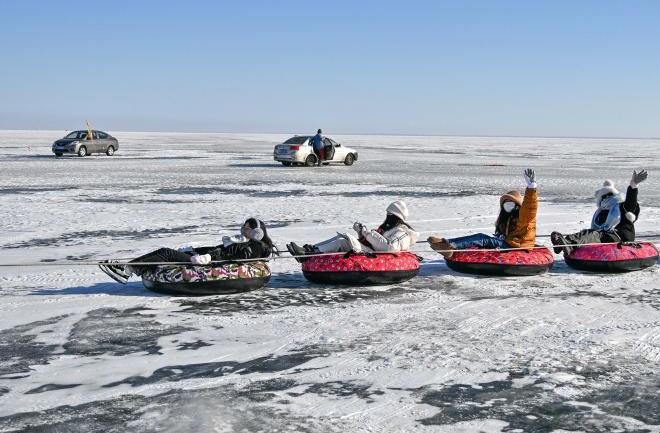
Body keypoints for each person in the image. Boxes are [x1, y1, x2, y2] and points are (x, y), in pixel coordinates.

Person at [98, 218, 275, 283]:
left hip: (208, 264)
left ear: (256, 232)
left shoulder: (256, 246)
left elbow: (235, 257)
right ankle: (129, 268)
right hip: (204, 258)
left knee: (166, 253)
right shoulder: (245, 243)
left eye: (246, 228)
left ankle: (127, 270)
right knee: (165, 253)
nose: (242, 230)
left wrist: (210, 256)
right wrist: (198, 251)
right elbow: (226, 251)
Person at [428, 169, 538, 257]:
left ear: (517, 205)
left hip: (519, 246)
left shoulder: (525, 216)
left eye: (511, 202)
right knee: (482, 239)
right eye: (506, 202)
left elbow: (530, 207)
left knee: (482, 238)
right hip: (509, 243)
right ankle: (447, 244)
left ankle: (448, 244)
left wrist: (531, 188)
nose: (507, 204)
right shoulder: (506, 218)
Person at [550, 170, 648, 254]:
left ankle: (567, 243)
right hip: (604, 236)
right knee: (587, 233)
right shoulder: (601, 211)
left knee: (593, 234)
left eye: (610, 195)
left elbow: (631, 203)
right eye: (605, 196)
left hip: (619, 237)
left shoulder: (622, 205)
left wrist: (633, 185)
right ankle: (563, 243)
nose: (608, 198)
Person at [285, 201, 418, 262]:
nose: (387, 217)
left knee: (343, 242)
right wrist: (361, 233)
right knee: (342, 238)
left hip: (381, 256)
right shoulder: (389, 228)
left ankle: (308, 253)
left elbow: (390, 248)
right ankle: (309, 250)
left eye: (390, 214)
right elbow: (375, 242)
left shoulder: (402, 233)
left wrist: (367, 233)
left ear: (396, 216)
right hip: (374, 252)